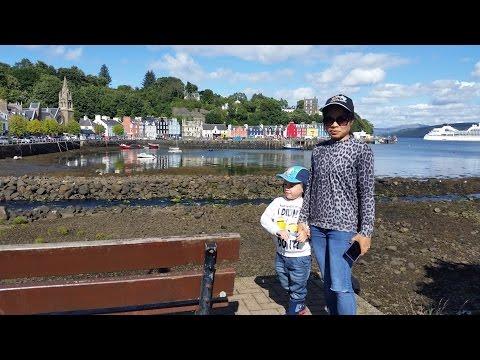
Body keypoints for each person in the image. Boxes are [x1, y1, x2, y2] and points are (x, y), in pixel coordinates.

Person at [297, 94, 375, 315]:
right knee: (327, 282)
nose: (333, 124)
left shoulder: (362, 150)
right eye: (328, 119)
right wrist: (303, 220)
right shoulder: (318, 151)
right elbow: (310, 188)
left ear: (351, 120)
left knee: (341, 286)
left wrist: (366, 232)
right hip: (317, 227)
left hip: (344, 229)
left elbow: (367, 194)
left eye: (340, 118)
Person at [260, 165, 311, 315]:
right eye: (285, 184)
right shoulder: (277, 202)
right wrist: (276, 230)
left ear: (304, 187)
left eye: (292, 185)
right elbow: (264, 219)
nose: (287, 188)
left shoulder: (306, 205)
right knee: (284, 281)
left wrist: (307, 233)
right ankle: (296, 301)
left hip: (300, 256)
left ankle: (296, 308)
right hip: (281, 254)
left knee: (298, 285)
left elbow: (316, 225)